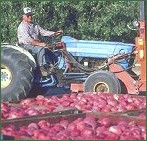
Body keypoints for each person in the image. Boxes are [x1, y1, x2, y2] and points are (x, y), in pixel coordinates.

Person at [17, 7, 62, 76]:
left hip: (35, 44)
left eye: (31, 15)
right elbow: (29, 40)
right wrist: (40, 44)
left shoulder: (34, 25)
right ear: (23, 16)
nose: (30, 17)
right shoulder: (22, 27)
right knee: (41, 49)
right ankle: (42, 68)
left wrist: (54, 33)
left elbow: (43, 32)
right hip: (26, 46)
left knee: (50, 49)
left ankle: (52, 66)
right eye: (28, 15)